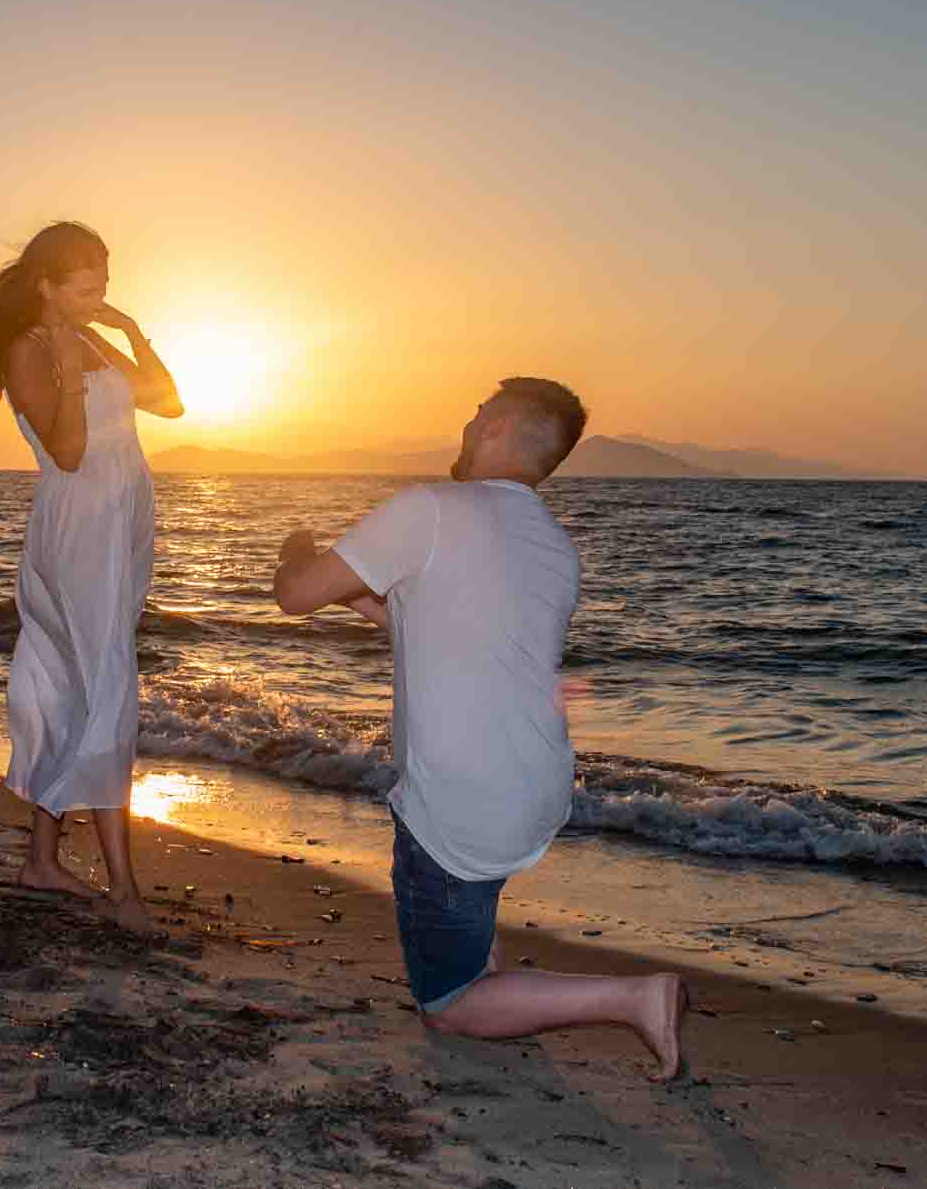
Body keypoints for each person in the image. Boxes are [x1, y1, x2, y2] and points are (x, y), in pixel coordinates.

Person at [271, 377, 686, 1080]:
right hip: (533, 780)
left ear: (496, 426)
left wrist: (295, 554)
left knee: (447, 1002)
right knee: (471, 902)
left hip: (460, 795)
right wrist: (354, 587)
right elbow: (418, 621)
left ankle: (634, 998)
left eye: (475, 413)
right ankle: (500, 985)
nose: (464, 423)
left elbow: (294, 598)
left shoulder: (429, 509)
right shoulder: (553, 546)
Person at [0, 221, 182, 933]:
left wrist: (134, 331)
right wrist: (73, 372)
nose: (98, 297)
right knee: (105, 683)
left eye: (106, 286)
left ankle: (42, 862)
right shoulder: (31, 350)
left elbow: (168, 403)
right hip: (79, 529)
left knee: (85, 683)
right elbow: (70, 453)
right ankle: (124, 891)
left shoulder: (94, 338)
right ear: (48, 283)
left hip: (120, 525)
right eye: (87, 287)